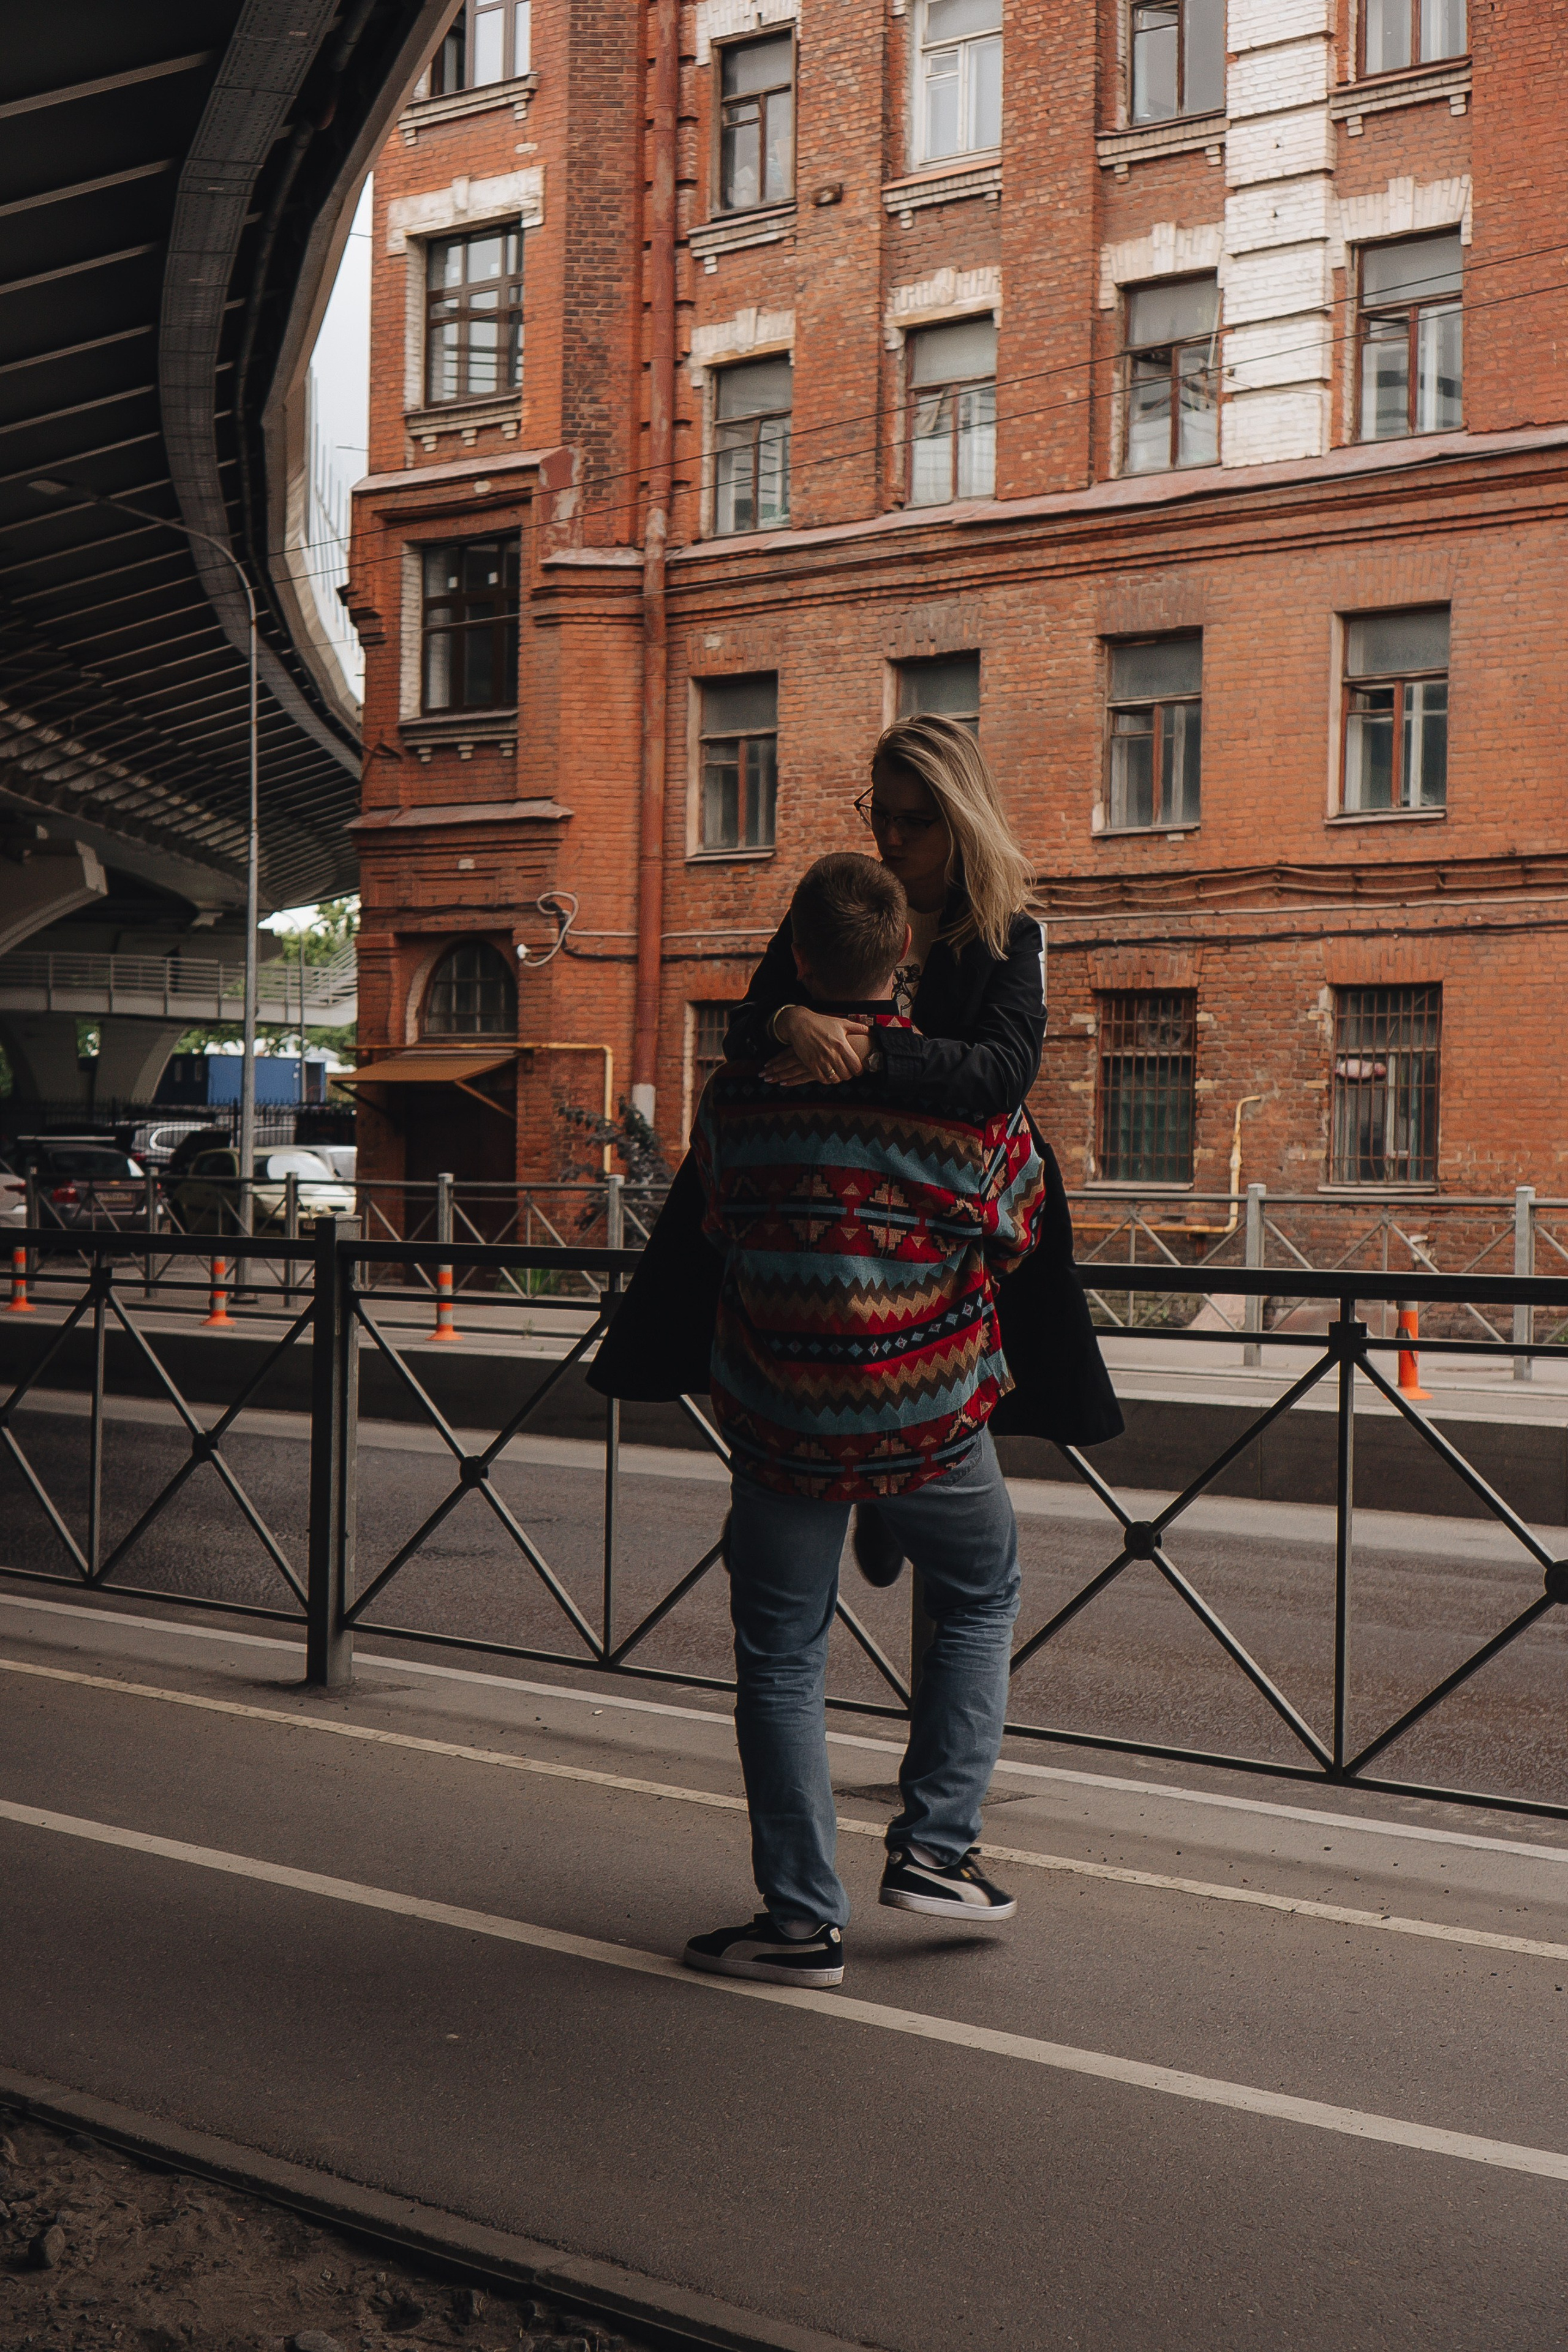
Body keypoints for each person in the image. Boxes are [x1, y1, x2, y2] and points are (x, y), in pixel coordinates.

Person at [588, 717, 1121, 1500]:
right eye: (882, 814)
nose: (893, 838)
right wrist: (785, 1020)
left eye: (916, 821)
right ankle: (860, 1483)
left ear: (961, 818)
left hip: (935, 1207)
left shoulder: (1009, 932)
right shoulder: (844, 902)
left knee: (935, 1392)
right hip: (815, 1200)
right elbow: (743, 1022)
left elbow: (1003, 1073)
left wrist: (873, 1050)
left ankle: (893, 1490)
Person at [682, 851, 1046, 1989]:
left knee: (781, 1660)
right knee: (980, 1591)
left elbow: (714, 1220)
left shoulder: (737, 1097)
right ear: (906, 967)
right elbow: (1016, 1230)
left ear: (793, 961)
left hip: (783, 1424)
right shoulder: (966, 1111)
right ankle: (936, 1849)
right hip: (931, 1421)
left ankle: (799, 1924)